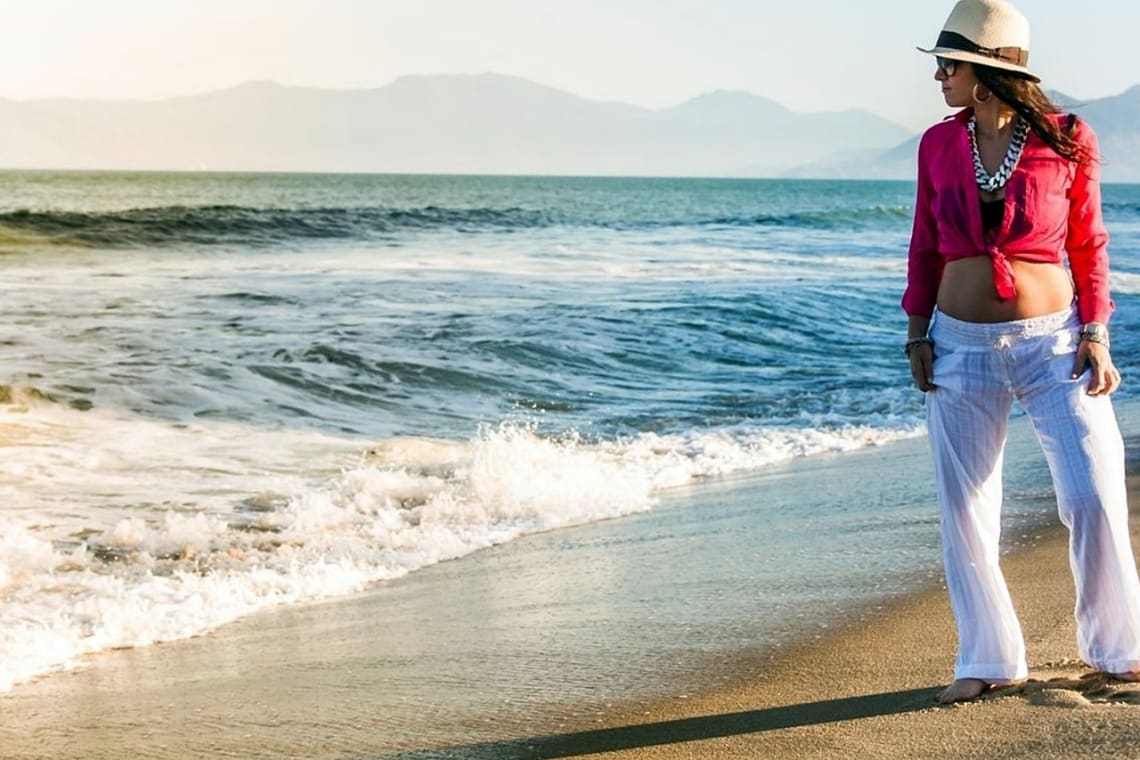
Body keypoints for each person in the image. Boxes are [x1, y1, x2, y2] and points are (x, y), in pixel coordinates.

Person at [903, 0, 1140, 704]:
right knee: (966, 510)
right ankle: (988, 658)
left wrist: (1096, 333)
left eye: (949, 64)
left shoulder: (1067, 137)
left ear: (985, 72)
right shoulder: (936, 144)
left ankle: (1120, 648)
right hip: (959, 345)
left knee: (1094, 493)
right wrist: (916, 331)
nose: (939, 77)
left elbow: (1088, 244)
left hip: (1055, 344)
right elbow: (924, 244)